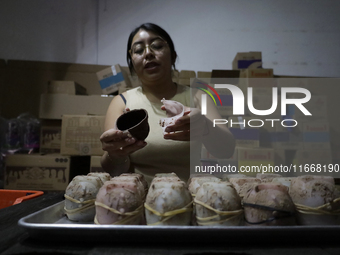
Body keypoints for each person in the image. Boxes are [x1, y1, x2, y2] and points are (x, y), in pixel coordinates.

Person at [100, 23, 235, 184]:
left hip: (189, 198)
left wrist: (205, 127)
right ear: (132, 63)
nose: (148, 53)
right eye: (138, 50)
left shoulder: (198, 97)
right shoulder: (121, 102)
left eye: (156, 46)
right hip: (138, 200)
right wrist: (116, 154)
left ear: (173, 56)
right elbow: (113, 170)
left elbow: (226, 150)